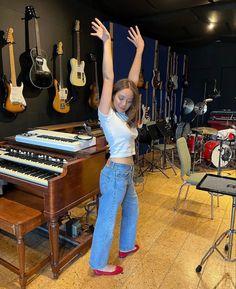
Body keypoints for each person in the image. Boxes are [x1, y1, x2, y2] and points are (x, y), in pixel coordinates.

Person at [89, 18, 144, 276]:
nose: (123, 102)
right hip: (114, 176)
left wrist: (140, 50)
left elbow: (132, 81)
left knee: (132, 207)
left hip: (126, 174)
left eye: (127, 99)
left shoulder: (125, 115)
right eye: (120, 97)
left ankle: (125, 246)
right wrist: (107, 43)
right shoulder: (107, 113)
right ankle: (98, 264)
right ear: (112, 97)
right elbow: (109, 76)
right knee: (107, 220)